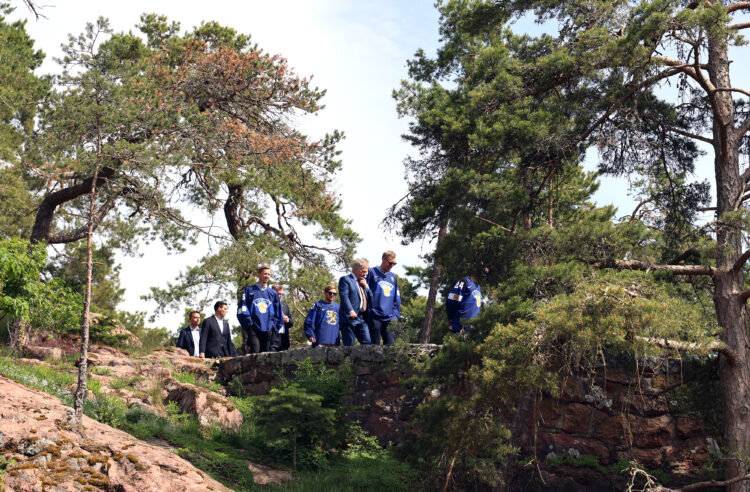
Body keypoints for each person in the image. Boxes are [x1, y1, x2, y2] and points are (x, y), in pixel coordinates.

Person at [237, 265, 283, 354]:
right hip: (254, 327)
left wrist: (274, 325)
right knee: (255, 350)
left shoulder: (273, 293)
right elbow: (242, 307)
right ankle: (251, 368)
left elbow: (278, 312)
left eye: (269, 274)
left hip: (268, 328)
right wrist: (249, 322)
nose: (267, 276)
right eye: (265, 274)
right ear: (258, 274)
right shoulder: (249, 290)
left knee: (265, 354)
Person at [366, 250, 401, 345]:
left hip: (389, 317)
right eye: (390, 263)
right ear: (383, 259)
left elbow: (396, 298)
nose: (392, 265)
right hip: (375, 316)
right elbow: (365, 293)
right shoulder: (371, 272)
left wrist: (395, 314)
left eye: (394, 263)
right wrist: (370, 310)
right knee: (375, 346)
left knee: (390, 345)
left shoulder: (393, 277)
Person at [338, 258, 372, 346]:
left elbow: (371, 298)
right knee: (349, 347)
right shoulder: (345, 280)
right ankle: (348, 360)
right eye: (364, 271)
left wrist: (367, 287)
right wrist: (350, 311)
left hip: (362, 318)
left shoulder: (363, 282)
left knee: (368, 344)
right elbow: (344, 297)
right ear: (357, 270)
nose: (365, 274)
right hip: (349, 319)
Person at [270, 283, 293, 352]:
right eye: (277, 294)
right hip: (272, 340)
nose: (279, 296)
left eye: (281, 294)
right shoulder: (267, 305)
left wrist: (288, 320)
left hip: (284, 340)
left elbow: (291, 323)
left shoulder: (285, 306)